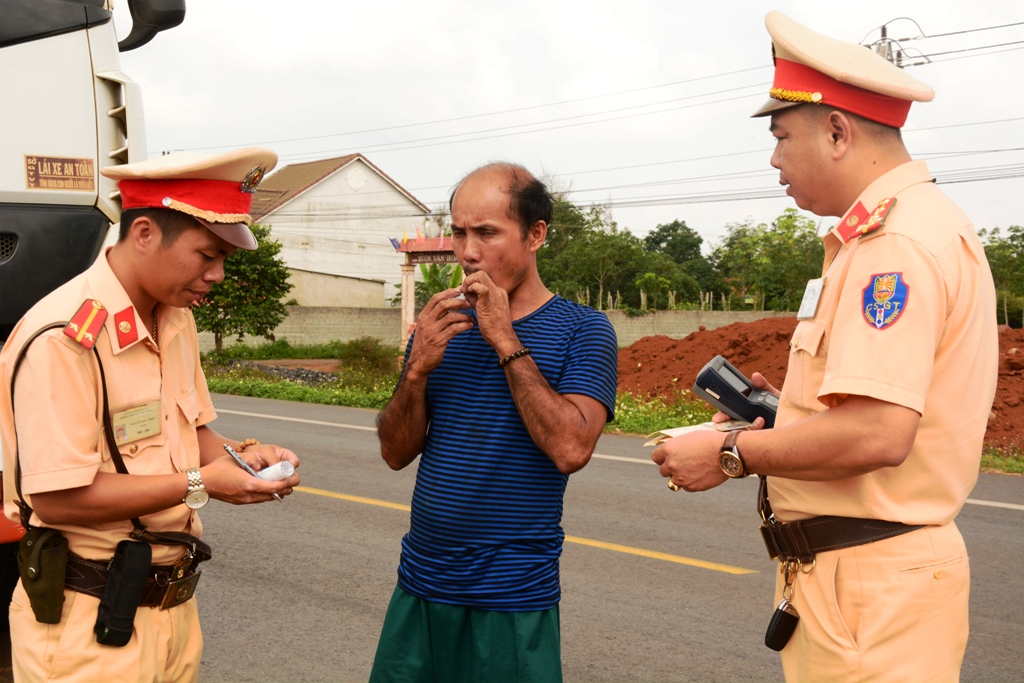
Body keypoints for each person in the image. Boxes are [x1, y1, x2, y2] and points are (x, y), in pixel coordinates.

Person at [651, 11, 998, 682]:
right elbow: (890, 410)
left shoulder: (892, 246)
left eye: (782, 136)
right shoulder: (917, 227)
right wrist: (795, 413)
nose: (774, 158)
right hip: (871, 579)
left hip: (870, 587)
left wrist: (728, 452)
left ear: (837, 131)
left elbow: (878, 433)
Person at [0, 148, 301, 682]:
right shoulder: (64, 338)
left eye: (225, 259)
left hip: (170, 612)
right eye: (206, 254)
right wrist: (201, 483)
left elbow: (190, 428)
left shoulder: (175, 317)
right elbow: (56, 498)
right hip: (84, 623)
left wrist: (244, 458)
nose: (218, 274)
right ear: (143, 233)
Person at [370, 163, 618, 682]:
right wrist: (416, 369)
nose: (468, 252)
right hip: (420, 583)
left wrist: (504, 337)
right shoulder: (441, 328)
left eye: (486, 232)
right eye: (459, 232)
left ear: (536, 234)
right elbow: (395, 453)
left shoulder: (584, 329)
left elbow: (571, 449)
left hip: (512, 597)